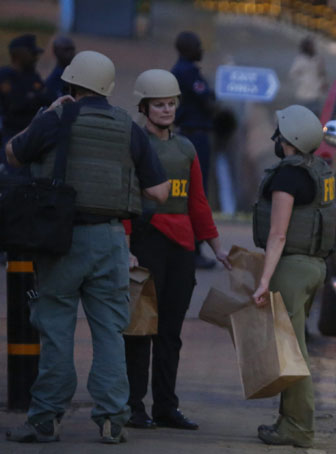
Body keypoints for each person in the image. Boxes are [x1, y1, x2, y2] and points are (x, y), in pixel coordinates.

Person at [4, 50, 169, 444]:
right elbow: (159, 192)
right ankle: (113, 418)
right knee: (110, 331)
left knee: (57, 330)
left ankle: (45, 419)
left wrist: (44, 115)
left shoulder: (56, 119)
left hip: (60, 241)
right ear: (108, 88)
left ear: (70, 85)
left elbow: (12, 153)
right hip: (111, 241)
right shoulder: (128, 127)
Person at [123, 69, 232, 431]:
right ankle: (134, 406)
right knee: (140, 330)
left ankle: (166, 407)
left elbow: (198, 202)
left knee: (170, 332)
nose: (167, 109)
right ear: (144, 107)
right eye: (159, 104)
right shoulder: (134, 143)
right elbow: (123, 198)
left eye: (171, 103)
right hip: (146, 241)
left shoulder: (186, 148)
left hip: (182, 247)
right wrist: (126, 247)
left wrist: (216, 247)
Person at [251, 105, 334, 448]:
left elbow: (278, 234)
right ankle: (288, 422)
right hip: (315, 267)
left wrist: (263, 280)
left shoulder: (287, 177)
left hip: (292, 269)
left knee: (292, 353)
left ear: (287, 139)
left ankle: (299, 427)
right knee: (292, 350)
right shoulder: (318, 170)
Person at [171, 30, 217, 269]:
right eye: (198, 45)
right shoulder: (188, 72)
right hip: (195, 136)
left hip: (186, 134)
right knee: (197, 195)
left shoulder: (178, 71)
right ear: (188, 48)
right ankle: (194, 249)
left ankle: (188, 248)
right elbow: (207, 102)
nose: (202, 49)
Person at [0, 34, 50, 171]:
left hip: (32, 134)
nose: (35, 57)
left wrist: (30, 98)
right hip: (11, 133)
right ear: (19, 54)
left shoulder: (32, 75)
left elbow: (47, 98)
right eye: (32, 53)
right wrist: (32, 98)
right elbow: (15, 104)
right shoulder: (5, 76)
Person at [288, 36, 328, 116]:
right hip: (303, 94)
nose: (313, 47)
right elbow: (293, 74)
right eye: (310, 45)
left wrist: (323, 83)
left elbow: (322, 73)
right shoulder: (300, 60)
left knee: (316, 114)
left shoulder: (318, 59)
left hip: (316, 92)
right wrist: (302, 82)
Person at [43, 36, 76, 102]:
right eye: (66, 49)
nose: (71, 53)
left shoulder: (78, 74)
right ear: (56, 51)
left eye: (72, 49)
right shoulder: (53, 81)